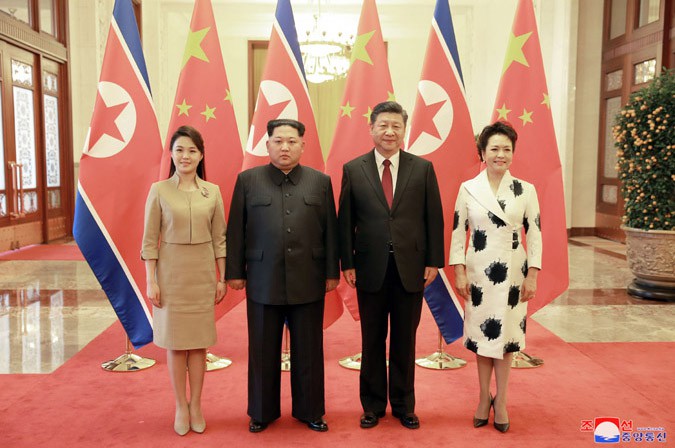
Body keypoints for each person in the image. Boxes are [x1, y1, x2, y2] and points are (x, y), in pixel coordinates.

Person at [226, 118, 339, 433]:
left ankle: (311, 410)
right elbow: (236, 229)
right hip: (263, 278)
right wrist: (234, 272)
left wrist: (332, 272)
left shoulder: (320, 182)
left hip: (309, 277)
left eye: (291, 141)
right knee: (262, 349)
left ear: (303, 145)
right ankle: (261, 412)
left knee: (310, 350)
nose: (285, 147)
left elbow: (330, 230)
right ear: (268, 145)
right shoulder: (248, 180)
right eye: (278, 141)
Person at [338, 101, 444, 430]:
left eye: (396, 126)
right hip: (369, 268)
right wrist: (348, 263)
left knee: (404, 340)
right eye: (383, 125)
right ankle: (371, 406)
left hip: (410, 269)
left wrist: (433, 261)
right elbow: (345, 222)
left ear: (404, 130)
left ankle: (403, 405)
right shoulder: (353, 169)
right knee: (371, 341)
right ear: (371, 129)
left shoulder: (422, 168)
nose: (389, 131)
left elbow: (433, 218)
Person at [449, 121, 542, 433]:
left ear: (513, 153)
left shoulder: (526, 190)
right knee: (482, 336)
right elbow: (458, 232)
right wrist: (459, 271)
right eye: (494, 149)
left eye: (507, 149)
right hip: (479, 273)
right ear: (482, 152)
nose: (500, 155)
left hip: (515, 273)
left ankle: (501, 400)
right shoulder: (468, 188)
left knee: (508, 339)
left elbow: (537, 235)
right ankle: (481, 396)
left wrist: (533, 275)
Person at [141, 125, 227, 436]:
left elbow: (220, 238)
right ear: (171, 154)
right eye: (179, 150)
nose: (185, 156)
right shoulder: (159, 190)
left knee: (199, 344)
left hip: (203, 273)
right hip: (171, 273)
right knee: (176, 345)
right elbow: (150, 241)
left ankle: (197, 404)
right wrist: (151, 280)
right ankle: (180, 404)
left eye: (192, 150)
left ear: (201, 154)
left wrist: (221, 278)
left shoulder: (212, 191)